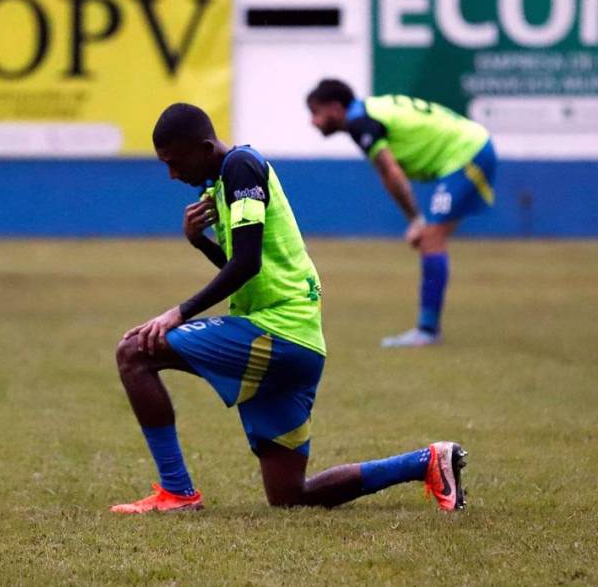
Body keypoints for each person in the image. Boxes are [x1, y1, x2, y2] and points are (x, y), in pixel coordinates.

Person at [111, 103, 467, 514]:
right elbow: (248, 267)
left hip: (278, 332)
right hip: (298, 343)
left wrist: (178, 313)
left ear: (204, 147)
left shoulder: (240, 167)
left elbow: (247, 264)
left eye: (174, 163)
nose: (172, 175)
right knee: (289, 496)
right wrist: (202, 242)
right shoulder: (224, 181)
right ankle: (428, 462)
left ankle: (177, 492)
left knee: (134, 352)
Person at [306, 79, 497, 348]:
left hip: (467, 153)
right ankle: (428, 329)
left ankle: (428, 331)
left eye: (316, 112)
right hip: (471, 147)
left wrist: (416, 221)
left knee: (431, 238)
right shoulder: (367, 112)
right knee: (432, 239)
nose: (313, 121)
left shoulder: (361, 122)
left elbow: (391, 172)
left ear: (336, 108)